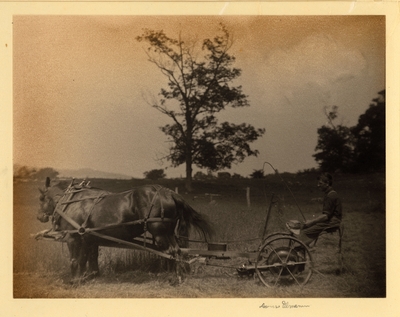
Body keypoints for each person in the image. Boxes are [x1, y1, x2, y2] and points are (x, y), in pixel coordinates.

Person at [286, 172, 342, 247]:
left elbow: (325, 216)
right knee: (305, 227)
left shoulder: (331, 196)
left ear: (327, 183)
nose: (318, 185)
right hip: (331, 220)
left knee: (306, 232)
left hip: (332, 222)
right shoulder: (331, 194)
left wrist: (311, 222)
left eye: (320, 183)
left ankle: (300, 248)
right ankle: (302, 247)